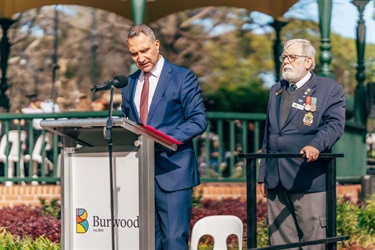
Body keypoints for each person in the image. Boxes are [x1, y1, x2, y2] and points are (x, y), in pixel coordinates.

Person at [121, 24, 208, 250]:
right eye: (134, 53)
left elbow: (198, 120)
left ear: (156, 45)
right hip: (140, 175)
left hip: (173, 173)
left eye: (145, 50)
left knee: (173, 241)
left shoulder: (182, 77)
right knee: (147, 243)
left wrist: (161, 138)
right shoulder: (129, 83)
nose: (140, 58)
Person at [258, 39, 346, 250]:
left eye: (292, 57)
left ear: (308, 61)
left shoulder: (329, 89)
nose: (286, 61)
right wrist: (262, 174)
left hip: (308, 178)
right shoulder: (276, 90)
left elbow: (334, 125)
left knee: (314, 243)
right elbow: (269, 134)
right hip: (276, 180)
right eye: (284, 57)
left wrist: (316, 145)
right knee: (280, 245)